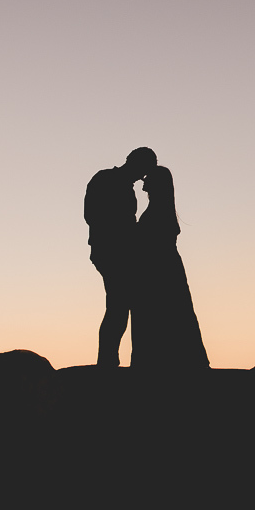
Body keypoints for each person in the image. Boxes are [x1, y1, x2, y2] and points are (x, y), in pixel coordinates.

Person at [131, 165, 210, 370]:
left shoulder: (158, 210)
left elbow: (151, 240)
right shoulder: (160, 208)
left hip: (159, 269)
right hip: (163, 267)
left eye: (147, 180)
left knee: (162, 313)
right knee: (171, 314)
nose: (143, 184)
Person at [85, 146, 157, 367]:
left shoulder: (127, 188)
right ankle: (107, 359)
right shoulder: (105, 178)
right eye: (143, 169)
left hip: (124, 253)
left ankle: (114, 358)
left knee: (122, 305)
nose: (142, 176)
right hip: (110, 252)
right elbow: (92, 215)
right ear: (131, 161)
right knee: (118, 305)